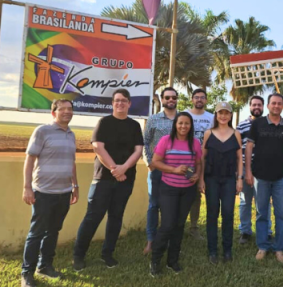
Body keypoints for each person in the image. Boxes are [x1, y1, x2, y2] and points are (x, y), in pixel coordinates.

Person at [73, 89, 143, 271]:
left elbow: (138, 151)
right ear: (112, 103)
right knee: (92, 217)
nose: (120, 103)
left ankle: (107, 254)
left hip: (126, 179)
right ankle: (78, 256)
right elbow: (98, 147)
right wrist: (115, 169)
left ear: (129, 104)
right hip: (102, 178)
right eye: (117, 100)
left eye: (124, 100)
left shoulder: (134, 126)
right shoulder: (104, 123)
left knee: (116, 217)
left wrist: (124, 168)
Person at [21, 99, 79, 287]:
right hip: (43, 192)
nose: (67, 112)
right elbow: (30, 160)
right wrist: (27, 187)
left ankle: (45, 266)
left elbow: (71, 162)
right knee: (36, 233)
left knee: (53, 231)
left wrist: (75, 186)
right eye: (62, 109)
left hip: (64, 192)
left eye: (70, 109)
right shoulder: (42, 131)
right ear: (53, 113)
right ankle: (27, 273)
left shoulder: (71, 134)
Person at [246, 93, 283, 263]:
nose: (276, 106)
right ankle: (262, 246)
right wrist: (248, 171)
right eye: (273, 103)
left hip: (281, 177)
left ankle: (279, 248)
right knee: (261, 213)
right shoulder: (258, 124)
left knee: (281, 214)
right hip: (260, 176)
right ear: (268, 106)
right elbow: (249, 147)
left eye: (279, 103)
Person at [150, 112, 202, 277]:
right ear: (175, 125)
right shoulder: (166, 140)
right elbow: (155, 162)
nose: (183, 126)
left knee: (179, 225)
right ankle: (155, 260)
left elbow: (198, 163)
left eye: (187, 123)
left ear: (191, 126)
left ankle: (172, 261)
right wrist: (174, 170)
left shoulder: (195, 142)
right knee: (167, 225)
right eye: (180, 123)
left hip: (188, 190)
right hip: (169, 189)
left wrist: (197, 175)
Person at [199, 102, 243, 264]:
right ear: (216, 115)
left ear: (230, 115)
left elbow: (239, 159)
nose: (223, 116)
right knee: (212, 214)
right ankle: (212, 251)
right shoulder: (208, 133)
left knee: (228, 213)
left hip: (229, 179)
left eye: (226, 113)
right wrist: (201, 179)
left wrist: (239, 179)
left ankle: (227, 250)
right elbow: (202, 158)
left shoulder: (236, 134)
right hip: (211, 178)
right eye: (220, 113)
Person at [142, 87, 178, 255]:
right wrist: (149, 163)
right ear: (162, 100)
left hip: (176, 170)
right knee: (154, 205)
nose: (171, 100)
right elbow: (145, 142)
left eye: (173, 97)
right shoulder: (153, 119)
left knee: (171, 206)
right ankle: (151, 240)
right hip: (157, 169)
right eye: (167, 97)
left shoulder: (183, 119)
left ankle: (169, 239)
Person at [236, 95, 272, 244]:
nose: (256, 107)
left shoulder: (269, 124)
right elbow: (238, 149)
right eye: (254, 105)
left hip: (263, 169)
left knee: (263, 202)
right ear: (250, 106)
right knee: (245, 201)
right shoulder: (241, 125)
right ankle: (245, 231)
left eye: (259, 105)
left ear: (263, 107)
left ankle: (266, 231)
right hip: (246, 167)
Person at [186, 88, 214, 238]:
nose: (199, 100)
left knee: (197, 194)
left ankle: (194, 226)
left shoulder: (212, 117)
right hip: (186, 159)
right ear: (192, 99)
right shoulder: (184, 114)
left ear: (206, 100)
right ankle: (177, 224)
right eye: (196, 97)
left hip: (204, 160)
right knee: (181, 193)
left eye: (202, 97)